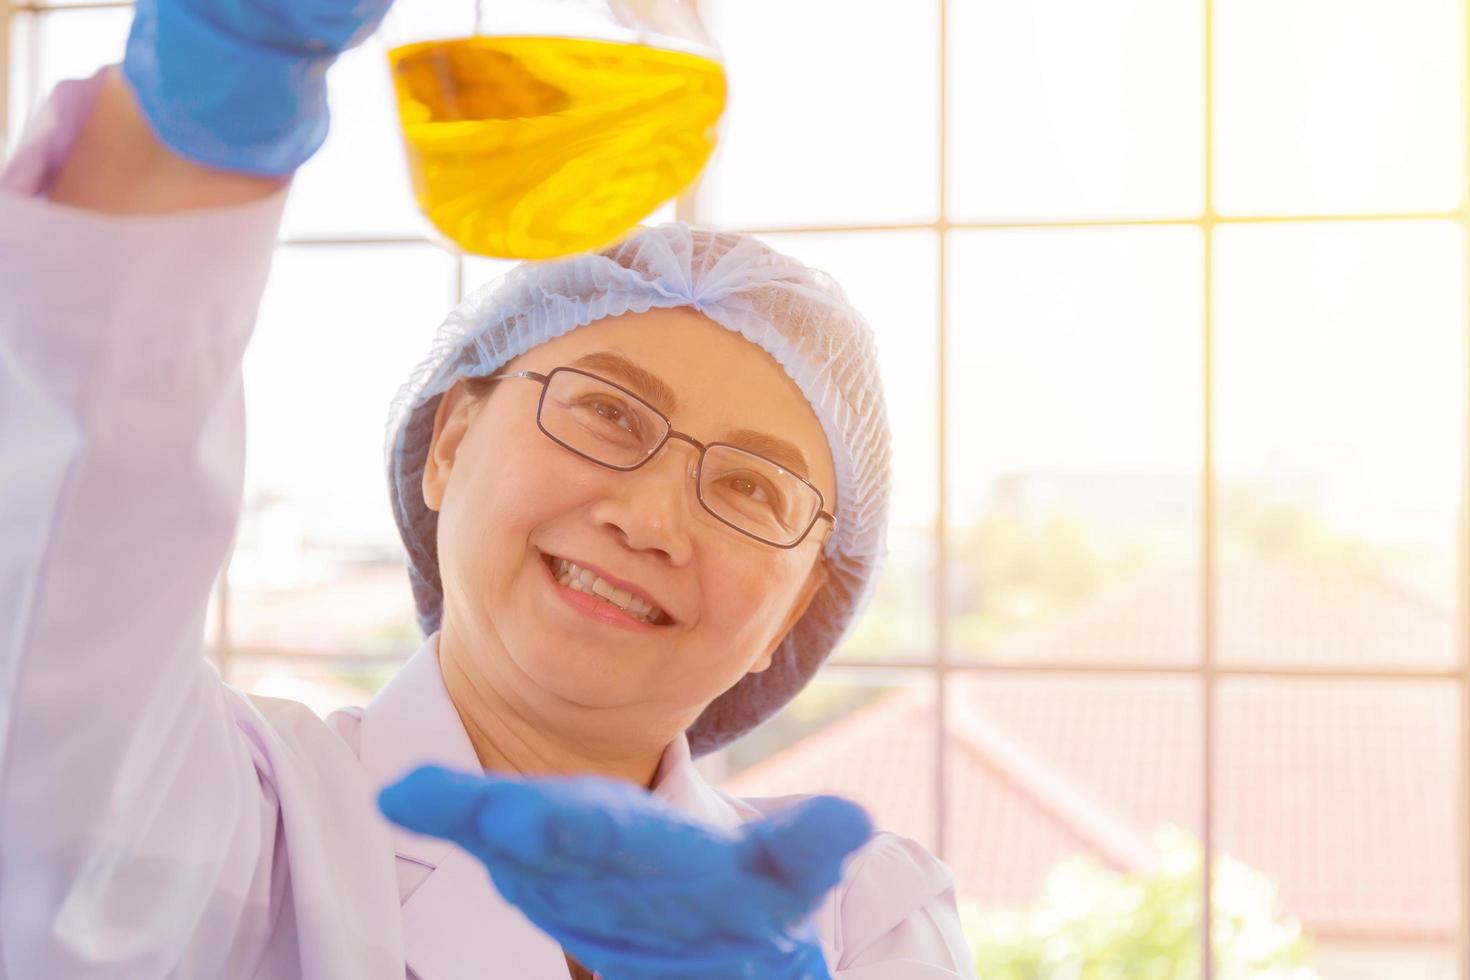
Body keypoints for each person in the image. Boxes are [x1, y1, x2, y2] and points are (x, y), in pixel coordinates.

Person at [0, 1, 978, 977]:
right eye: (608, 413)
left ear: (796, 611)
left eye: (753, 487)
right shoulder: (221, 816)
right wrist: (197, 117)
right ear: (451, 441)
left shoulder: (864, 918)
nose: (649, 519)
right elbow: (77, 537)